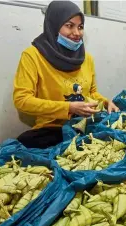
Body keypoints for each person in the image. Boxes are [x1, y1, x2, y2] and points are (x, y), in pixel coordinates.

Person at [13, 0, 119, 149]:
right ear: (54, 26)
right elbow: (22, 100)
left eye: (80, 27)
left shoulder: (86, 59)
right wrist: (68, 108)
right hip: (51, 129)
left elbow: (92, 92)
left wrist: (106, 102)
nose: (77, 33)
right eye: (69, 26)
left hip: (84, 124)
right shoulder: (33, 55)